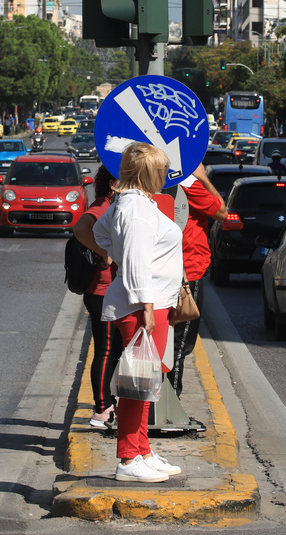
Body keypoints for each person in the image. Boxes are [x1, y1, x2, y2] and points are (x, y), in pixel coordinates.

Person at [93, 142, 184, 484]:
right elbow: (134, 263)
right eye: (161, 170)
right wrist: (146, 306)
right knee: (138, 384)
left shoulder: (130, 203)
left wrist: (113, 249)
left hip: (147, 303)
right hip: (142, 307)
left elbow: (99, 233)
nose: (165, 175)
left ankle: (141, 450)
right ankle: (129, 458)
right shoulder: (136, 210)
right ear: (148, 173)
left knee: (145, 382)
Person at [70, 167, 122, 429]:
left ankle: (109, 405)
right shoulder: (104, 206)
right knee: (106, 348)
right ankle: (102, 409)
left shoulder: (110, 205)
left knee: (113, 349)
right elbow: (81, 227)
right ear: (113, 184)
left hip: (108, 290)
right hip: (103, 289)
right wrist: (104, 253)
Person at [169, 164, 225, 402]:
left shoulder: (148, 178)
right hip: (187, 272)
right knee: (180, 344)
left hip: (160, 269)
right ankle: (170, 404)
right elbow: (222, 210)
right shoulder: (189, 183)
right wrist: (202, 177)